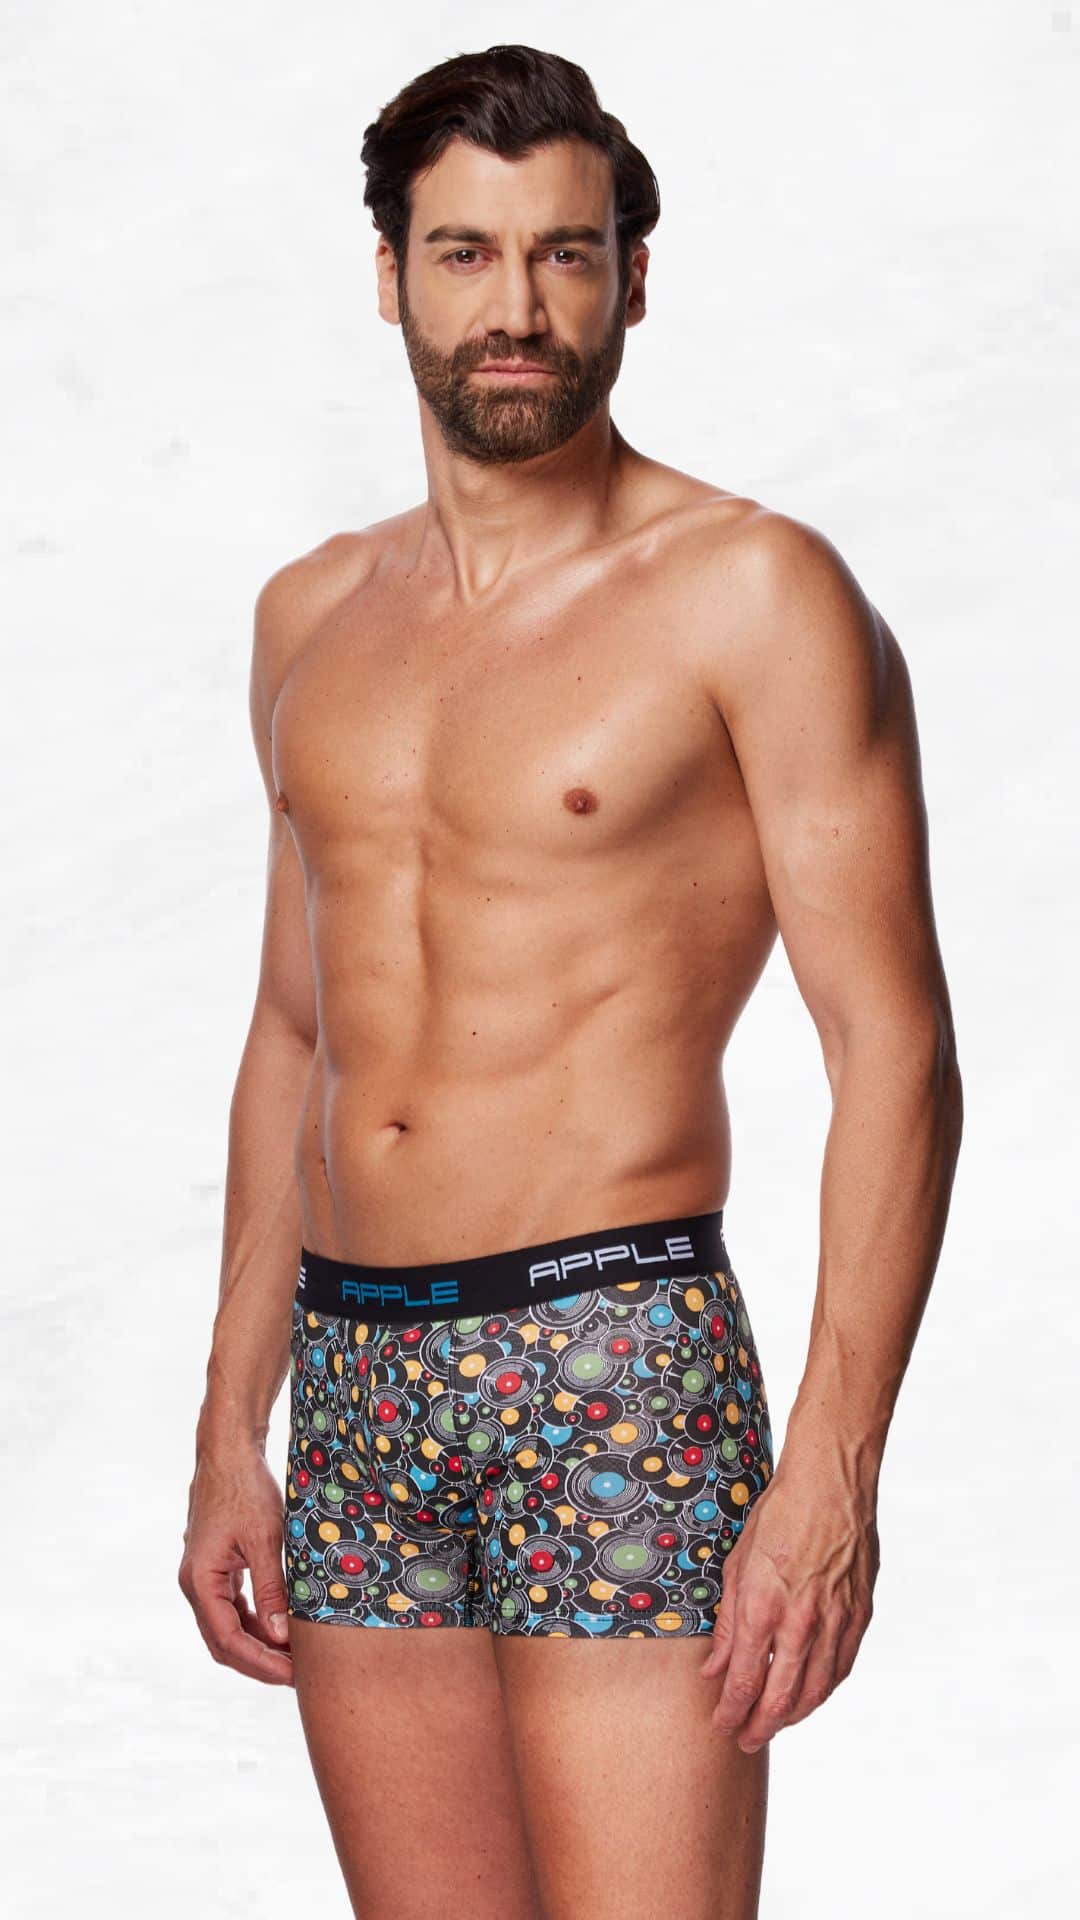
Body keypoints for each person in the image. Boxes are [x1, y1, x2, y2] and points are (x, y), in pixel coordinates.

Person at [179, 42, 963, 1920]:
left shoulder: (749, 592)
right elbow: (295, 1030)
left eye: (567, 254)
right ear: (392, 275)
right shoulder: (309, 617)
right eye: (467, 254)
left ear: (632, 276)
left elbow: (895, 1053)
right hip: (358, 1376)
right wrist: (229, 1422)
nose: (518, 310)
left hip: (608, 1357)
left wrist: (833, 1470)